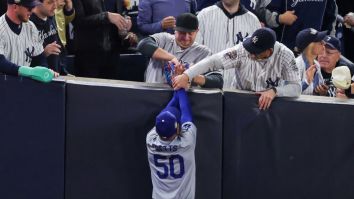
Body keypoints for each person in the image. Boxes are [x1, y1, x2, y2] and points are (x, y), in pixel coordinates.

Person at [173, 28, 301, 110]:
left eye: (256, 52)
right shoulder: (243, 49)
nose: (251, 54)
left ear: (269, 51)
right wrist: (187, 75)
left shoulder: (285, 55)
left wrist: (275, 91)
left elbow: (296, 88)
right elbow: (213, 61)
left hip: (269, 105)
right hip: (240, 100)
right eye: (251, 48)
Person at [137, 13, 223, 89]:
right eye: (182, 32)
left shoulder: (203, 52)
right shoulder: (165, 39)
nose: (186, 37)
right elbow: (143, 45)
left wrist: (189, 76)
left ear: (197, 31)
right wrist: (172, 58)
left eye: (190, 33)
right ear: (175, 29)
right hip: (151, 94)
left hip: (183, 99)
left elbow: (218, 81)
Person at [196, 0, 261, 88]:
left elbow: (258, 62)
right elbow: (195, 54)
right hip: (207, 88)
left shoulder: (253, 21)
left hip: (239, 90)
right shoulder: (204, 16)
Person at [146, 89, 197, 199]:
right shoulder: (186, 143)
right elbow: (186, 114)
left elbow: (163, 116)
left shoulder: (150, 140)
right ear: (177, 129)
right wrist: (180, 88)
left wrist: (176, 92)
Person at [73, 0, 137, 79]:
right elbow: (78, 21)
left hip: (113, 54)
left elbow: (122, 11)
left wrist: (125, 20)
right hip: (89, 56)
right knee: (88, 90)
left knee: (111, 89)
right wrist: (106, 17)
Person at [0, 0, 57, 82]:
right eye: (29, 8)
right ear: (15, 7)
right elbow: (1, 63)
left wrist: (45, 70)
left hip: (24, 86)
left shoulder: (31, 27)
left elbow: (39, 58)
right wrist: (30, 71)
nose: (32, 10)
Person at [266, 0, 337, 51]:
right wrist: (280, 18)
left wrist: (327, 42)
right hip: (286, 48)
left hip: (313, 50)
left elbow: (330, 19)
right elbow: (266, 14)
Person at [31, 0, 70, 75]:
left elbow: (57, 50)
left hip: (56, 75)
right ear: (37, 2)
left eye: (56, 1)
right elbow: (24, 62)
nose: (55, 6)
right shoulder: (29, 24)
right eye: (50, 2)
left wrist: (63, 71)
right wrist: (43, 53)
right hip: (40, 77)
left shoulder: (51, 17)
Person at [294, 28, 326, 95]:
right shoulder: (296, 64)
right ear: (310, 46)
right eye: (320, 42)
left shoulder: (317, 64)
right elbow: (290, 92)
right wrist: (306, 82)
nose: (324, 43)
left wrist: (322, 92)